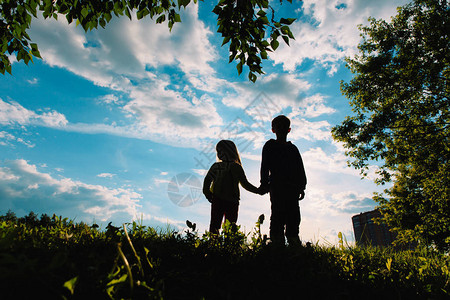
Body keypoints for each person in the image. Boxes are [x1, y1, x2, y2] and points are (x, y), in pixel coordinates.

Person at [259, 115, 307, 245]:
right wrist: (264, 184)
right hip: (277, 186)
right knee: (277, 214)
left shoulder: (293, 149)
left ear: (289, 130)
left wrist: (302, 186)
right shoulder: (269, 146)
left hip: (292, 188)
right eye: (278, 127)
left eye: (284, 127)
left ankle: (293, 239)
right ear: (273, 130)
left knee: (294, 215)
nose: (281, 129)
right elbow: (265, 166)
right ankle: (277, 241)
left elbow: (300, 168)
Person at [203, 140, 260, 234]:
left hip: (227, 201)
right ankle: (218, 245)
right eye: (218, 152)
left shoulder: (230, 167)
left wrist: (257, 191)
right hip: (223, 200)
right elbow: (207, 180)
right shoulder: (222, 166)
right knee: (220, 225)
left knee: (223, 226)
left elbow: (245, 184)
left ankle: (220, 245)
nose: (219, 154)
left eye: (220, 151)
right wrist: (207, 193)